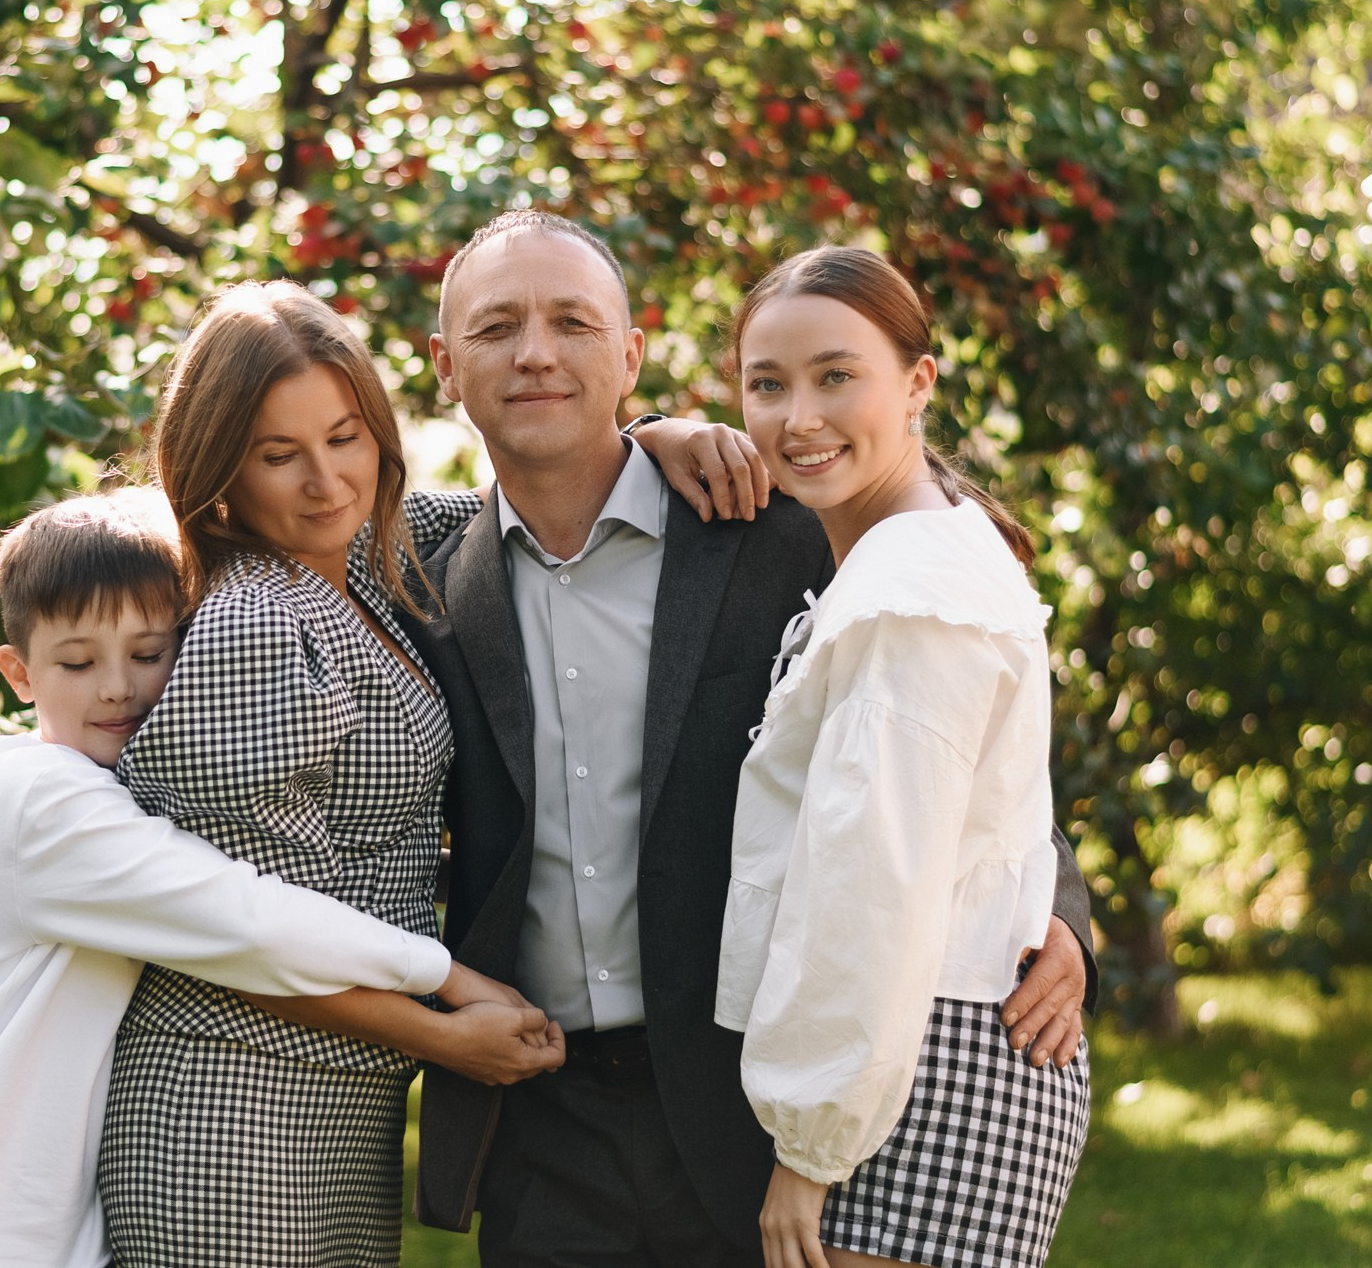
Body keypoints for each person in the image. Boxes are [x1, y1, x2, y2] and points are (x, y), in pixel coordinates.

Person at [407, 211, 1098, 1265]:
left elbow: (943, 729)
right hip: (542, 1120)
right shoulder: (421, 570)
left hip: (738, 1101)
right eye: (496, 326)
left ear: (628, 354)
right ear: (445, 365)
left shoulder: (783, 525)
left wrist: (1052, 907)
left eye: (571, 322)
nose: (535, 351)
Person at [93, 281, 740, 1267]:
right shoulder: (250, 623)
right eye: (277, 455)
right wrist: (442, 1033)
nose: (324, 480)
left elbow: (543, 482)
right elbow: (237, 928)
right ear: (218, 465)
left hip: (341, 1090)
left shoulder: (373, 554)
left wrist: (652, 432)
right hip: (232, 1089)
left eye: (345, 437)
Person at [0, 492, 517, 1268]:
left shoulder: (99, 789)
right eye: (77, 661)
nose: (118, 688)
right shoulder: (39, 804)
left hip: (43, 1238)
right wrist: (448, 978)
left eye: (147, 653)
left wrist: (638, 443)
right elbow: (248, 918)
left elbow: (405, 516)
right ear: (18, 672)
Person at [715, 246, 1090, 1268]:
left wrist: (810, 1141)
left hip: (916, 1071)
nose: (798, 418)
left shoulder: (909, 589)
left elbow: (870, 880)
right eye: (767, 383)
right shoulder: (909, 554)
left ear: (917, 381)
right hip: (904, 1055)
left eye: (836, 376)